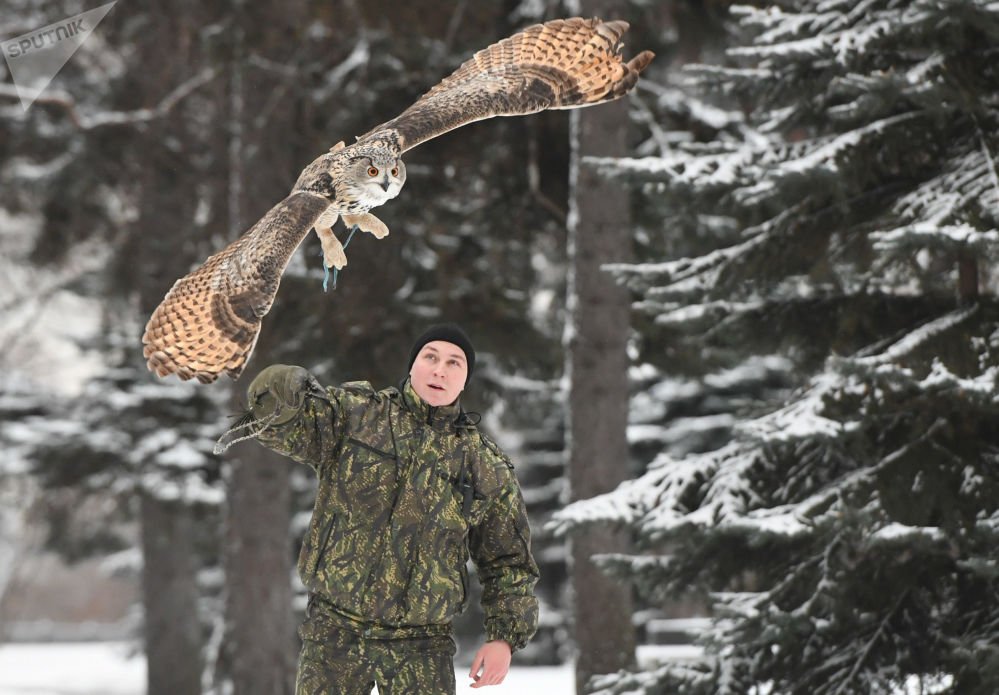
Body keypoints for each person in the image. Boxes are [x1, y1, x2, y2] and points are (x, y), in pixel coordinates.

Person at [243, 323, 539, 694]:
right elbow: (284, 427)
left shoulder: (483, 465)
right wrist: (275, 388)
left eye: (454, 363)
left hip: (422, 645)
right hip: (335, 630)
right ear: (412, 365)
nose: (439, 370)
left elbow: (509, 562)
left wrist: (504, 638)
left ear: (465, 381)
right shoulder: (357, 417)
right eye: (430, 356)